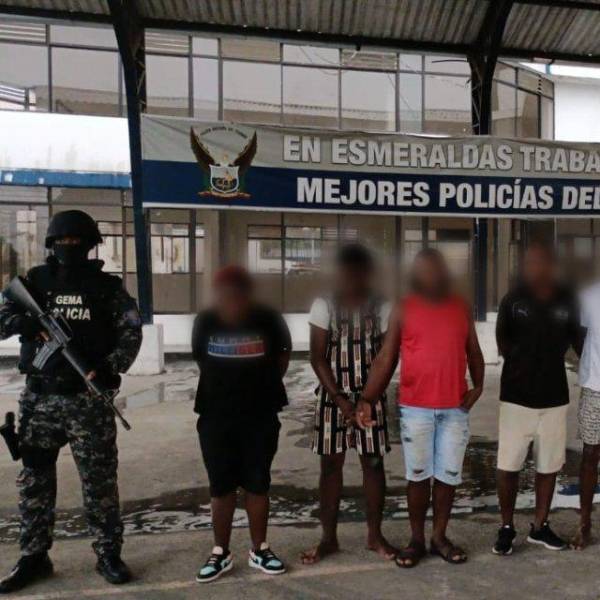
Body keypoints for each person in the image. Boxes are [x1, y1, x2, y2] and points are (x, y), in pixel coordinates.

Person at [0, 210, 142, 593]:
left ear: (92, 245)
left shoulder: (108, 288)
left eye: (77, 241)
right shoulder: (35, 281)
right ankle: (34, 556)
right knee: (34, 480)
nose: (69, 247)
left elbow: (131, 332)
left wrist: (111, 369)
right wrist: (23, 323)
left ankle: (108, 553)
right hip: (40, 399)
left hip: (88, 400)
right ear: (51, 244)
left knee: (99, 483)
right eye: (63, 241)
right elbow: (2, 317)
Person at [360, 248, 484, 568]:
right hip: (416, 409)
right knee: (418, 477)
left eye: (434, 269)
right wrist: (367, 399)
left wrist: (479, 386)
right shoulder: (404, 308)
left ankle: (439, 537)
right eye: (422, 270)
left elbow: (473, 350)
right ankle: (416, 540)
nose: (429, 275)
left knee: (448, 476)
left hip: (455, 409)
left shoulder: (460, 307)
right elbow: (386, 358)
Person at [192, 265, 291, 583]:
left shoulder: (268, 318)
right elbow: (200, 358)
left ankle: (260, 549)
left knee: (257, 484)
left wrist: (262, 385)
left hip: (260, 415)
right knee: (220, 487)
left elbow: (283, 354)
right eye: (227, 289)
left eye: (239, 289)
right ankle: (220, 552)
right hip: (216, 416)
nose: (233, 295)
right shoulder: (206, 320)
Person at [301, 243, 396, 565]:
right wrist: (341, 400)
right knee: (330, 467)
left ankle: (375, 536)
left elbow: (388, 356)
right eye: (347, 272)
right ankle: (328, 538)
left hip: (372, 398)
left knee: (373, 464)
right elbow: (317, 357)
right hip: (333, 399)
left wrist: (368, 398)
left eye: (359, 272)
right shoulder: (324, 304)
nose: (353, 278)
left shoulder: (382, 306)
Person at [493, 243, 583, 556]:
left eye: (543, 262)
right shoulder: (513, 300)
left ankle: (540, 526)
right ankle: (506, 527)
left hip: (554, 398)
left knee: (548, 466)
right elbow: (502, 339)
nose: (537, 268)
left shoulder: (567, 300)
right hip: (516, 399)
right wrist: (522, 362)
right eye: (531, 262)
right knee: (508, 466)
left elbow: (578, 340)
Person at [571, 279, 600, 549]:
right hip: (595, 388)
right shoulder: (590, 296)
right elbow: (579, 336)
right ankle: (585, 525)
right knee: (590, 454)